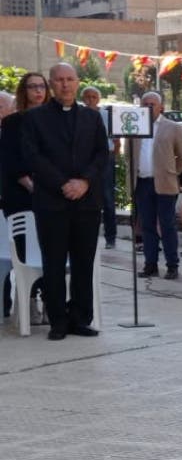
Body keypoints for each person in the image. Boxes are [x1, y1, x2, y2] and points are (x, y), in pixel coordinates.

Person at [21, 63, 108, 340]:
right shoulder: (35, 118)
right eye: (59, 80)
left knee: (83, 262)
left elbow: (101, 155)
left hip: (87, 202)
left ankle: (80, 318)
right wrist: (62, 184)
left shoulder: (92, 118)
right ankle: (58, 320)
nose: (65, 85)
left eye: (70, 79)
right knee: (54, 263)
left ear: (78, 82)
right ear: (51, 84)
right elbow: (34, 157)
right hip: (52, 202)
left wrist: (84, 182)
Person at [1, 73, 50, 320]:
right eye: (32, 87)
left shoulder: (56, 120)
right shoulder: (12, 123)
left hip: (51, 195)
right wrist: (31, 186)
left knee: (50, 248)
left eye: (42, 86)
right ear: (24, 91)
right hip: (20, 196)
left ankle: (49, 299)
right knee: (25, 249)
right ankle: (28, 301)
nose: (38, 91)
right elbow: (11, 161)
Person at [131, 91, 182, 280]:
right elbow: (128, 156)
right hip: (143, 183)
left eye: (152, 104)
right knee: (146, 225)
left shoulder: (172, 128)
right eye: (144, 104)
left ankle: (172, 265)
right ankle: (150, 264)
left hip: (165, 183)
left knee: (167, 225)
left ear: (160, 106)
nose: (147, 107)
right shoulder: (134, 127)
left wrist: (172, 173)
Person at [81, 86, 119, 250]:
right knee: (86, 198)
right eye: (87, 97)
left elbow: (116, 141)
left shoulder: (107, 116)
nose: (90, 99)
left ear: (99, 98)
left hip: (105, 159)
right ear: (83, 99)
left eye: (94, 96)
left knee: (107, 198)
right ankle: (87, 236)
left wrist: (112, 157)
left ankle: (111, 237)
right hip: (85, 160)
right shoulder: (79, 115)